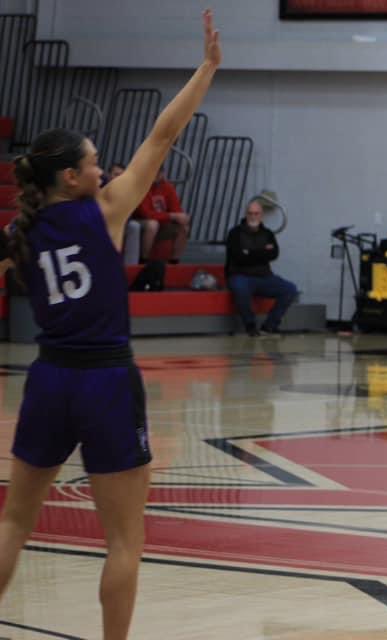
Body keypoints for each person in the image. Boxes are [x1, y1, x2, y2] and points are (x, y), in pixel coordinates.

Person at [0, 11, 220, 639]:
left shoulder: (23, 230)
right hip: (105, 383)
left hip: (47, 381)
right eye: (95, 162)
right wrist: (206, 69)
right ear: (72, 176)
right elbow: (164, 134)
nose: (105, 168)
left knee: (14, 522)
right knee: (124, 541)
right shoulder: (107, 210)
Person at [225, 197, 298, 337]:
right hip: (240, 275)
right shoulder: (234, 233)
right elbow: (239, 257)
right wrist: (263, 251)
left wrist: (249, 252)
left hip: (264, 276)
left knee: (290, 289)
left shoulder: (268, 233)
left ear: (261, 215)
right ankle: (250, 325)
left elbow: (274, 254)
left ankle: (270, 326)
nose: (253, 216)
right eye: (250, 213)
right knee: (240, 288)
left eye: (256, 213)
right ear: (246, 214)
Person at [133, 167, 190, 263]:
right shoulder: (140, 187)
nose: (156, 175)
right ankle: (143, 260)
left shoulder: (167, 187)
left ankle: (174, 262)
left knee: (184, 226)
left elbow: (176, 210)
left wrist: (181, 217)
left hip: (162, 222)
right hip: (140, 221)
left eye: (159, 172)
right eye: (154, 171)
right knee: (152, 225)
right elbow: (145, 213)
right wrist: (172, 216)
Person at [104, 163, 141, 265]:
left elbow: (128, 214)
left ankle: (130, 267)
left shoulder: (127, 192)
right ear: (108, 175)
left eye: (121, 176)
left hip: (119, 223)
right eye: (116, 174)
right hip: (101, 222)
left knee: (134, 227)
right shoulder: (100, 187)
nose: (118, 178)